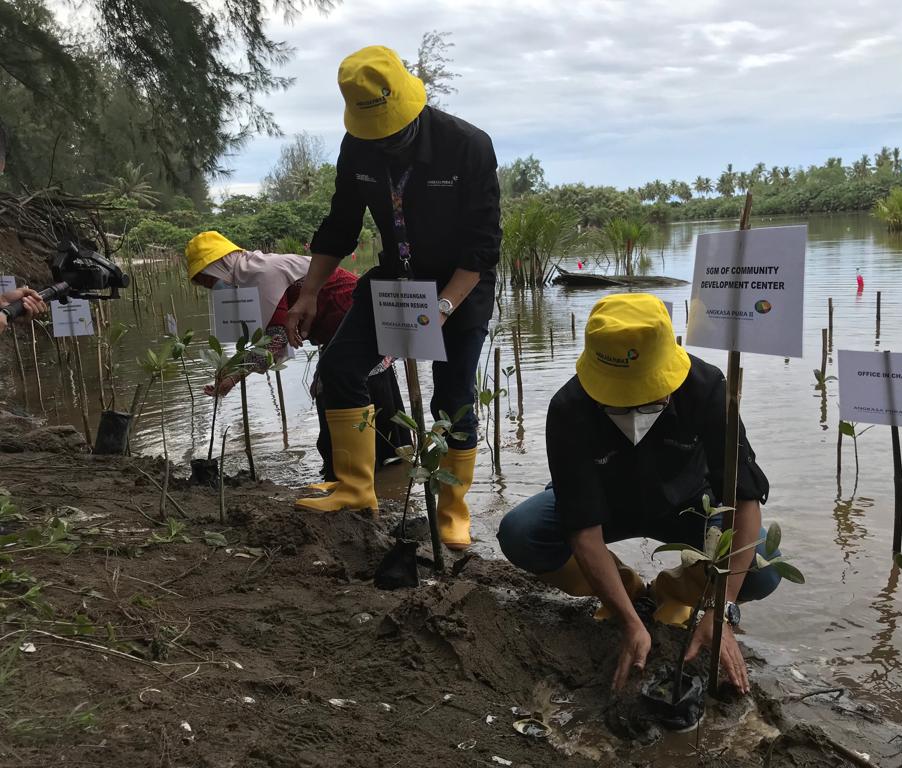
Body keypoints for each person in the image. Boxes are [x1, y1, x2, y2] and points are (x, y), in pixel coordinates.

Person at [497, 293, 779, 693]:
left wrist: (721, 610)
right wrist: (629, 621)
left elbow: (745, 500)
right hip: (607, 506)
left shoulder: (707, 388)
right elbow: (583, 530)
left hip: (690, 507)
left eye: (650, 394)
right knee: (521, 533)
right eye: (622, 399)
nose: (639, 406)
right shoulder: (569, 409)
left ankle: (675, 589)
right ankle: (625, 589)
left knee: (764, 566)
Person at [285, 45, 501, 549]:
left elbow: (483, 245)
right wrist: (309, 293)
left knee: (454, 396)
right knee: (339, 367)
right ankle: (357, 489)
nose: (386, 143)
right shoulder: (356, 145)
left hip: (460, 289)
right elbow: (340, 224)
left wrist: (443, 308)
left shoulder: (468, 145)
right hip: (395, 283)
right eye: (374, 136)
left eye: (395, 134)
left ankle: (452, 510)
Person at [185, 230, 409, 477]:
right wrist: (232, 368)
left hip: (352, 319)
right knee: (348, 390)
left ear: (220, 265)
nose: (211, 287)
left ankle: (361, 475)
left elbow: (276, 338)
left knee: (345, 391)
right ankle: (366, 471)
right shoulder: (248, 276)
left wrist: (232, 377)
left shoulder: (261, 273)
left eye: (208, 279)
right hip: (337, 329)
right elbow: (270, 336)